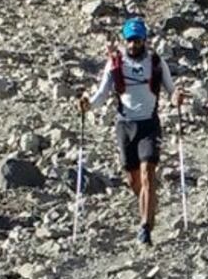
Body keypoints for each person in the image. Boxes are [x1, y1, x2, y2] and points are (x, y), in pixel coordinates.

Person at [78, 17, 184, 245]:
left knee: (147, 175)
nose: (134, 45)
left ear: (145, 40)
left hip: (149, 124)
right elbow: (101, 95)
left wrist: (176, 98)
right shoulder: (115, 63)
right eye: (130, 40)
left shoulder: (156, 62)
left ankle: (145, 227)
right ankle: (149, 204)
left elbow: (171, 91)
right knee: (132, 179)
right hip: (125, 126)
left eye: (138, 40)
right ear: (124, 41)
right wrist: (88, 104)